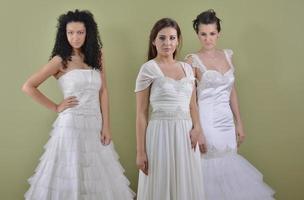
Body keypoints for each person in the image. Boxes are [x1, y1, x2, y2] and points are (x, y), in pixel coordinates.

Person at [22, 9, 135, 200]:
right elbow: (28, 86)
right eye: (70, 32)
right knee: (70, 173)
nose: (75, 37)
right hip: (71, 125)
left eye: (80, 32)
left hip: (95, 124)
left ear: (88, 33)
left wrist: (106, 126)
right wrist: (56, 107)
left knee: (98, 176)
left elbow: (104, 91)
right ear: (64, 34)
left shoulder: (97, 55)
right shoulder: (59, 60)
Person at [185, 9, 275, 200]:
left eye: (212, 33)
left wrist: (239, 122)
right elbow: (190, 100)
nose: (208, 39)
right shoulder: (192, 60)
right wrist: (197, 128)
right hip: (206, 121)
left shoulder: (227, 55)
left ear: (218, 33)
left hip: (226, 121)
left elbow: (232, 91)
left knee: (229, 165)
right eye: (203, 34)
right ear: (197, 34)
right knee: (210, 166)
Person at [135, 18, 206, 200]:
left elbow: (192, 105)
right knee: (161, 182)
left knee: (186, 183)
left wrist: (197, 128)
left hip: (185, 134)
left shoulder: (187, 69)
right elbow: (141, 114)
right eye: (162, 38)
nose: (168, 43)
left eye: (172, 38)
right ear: (154, 41)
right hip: (160, 134)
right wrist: (140, 152)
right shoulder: (148, 69)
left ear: (178, 40)